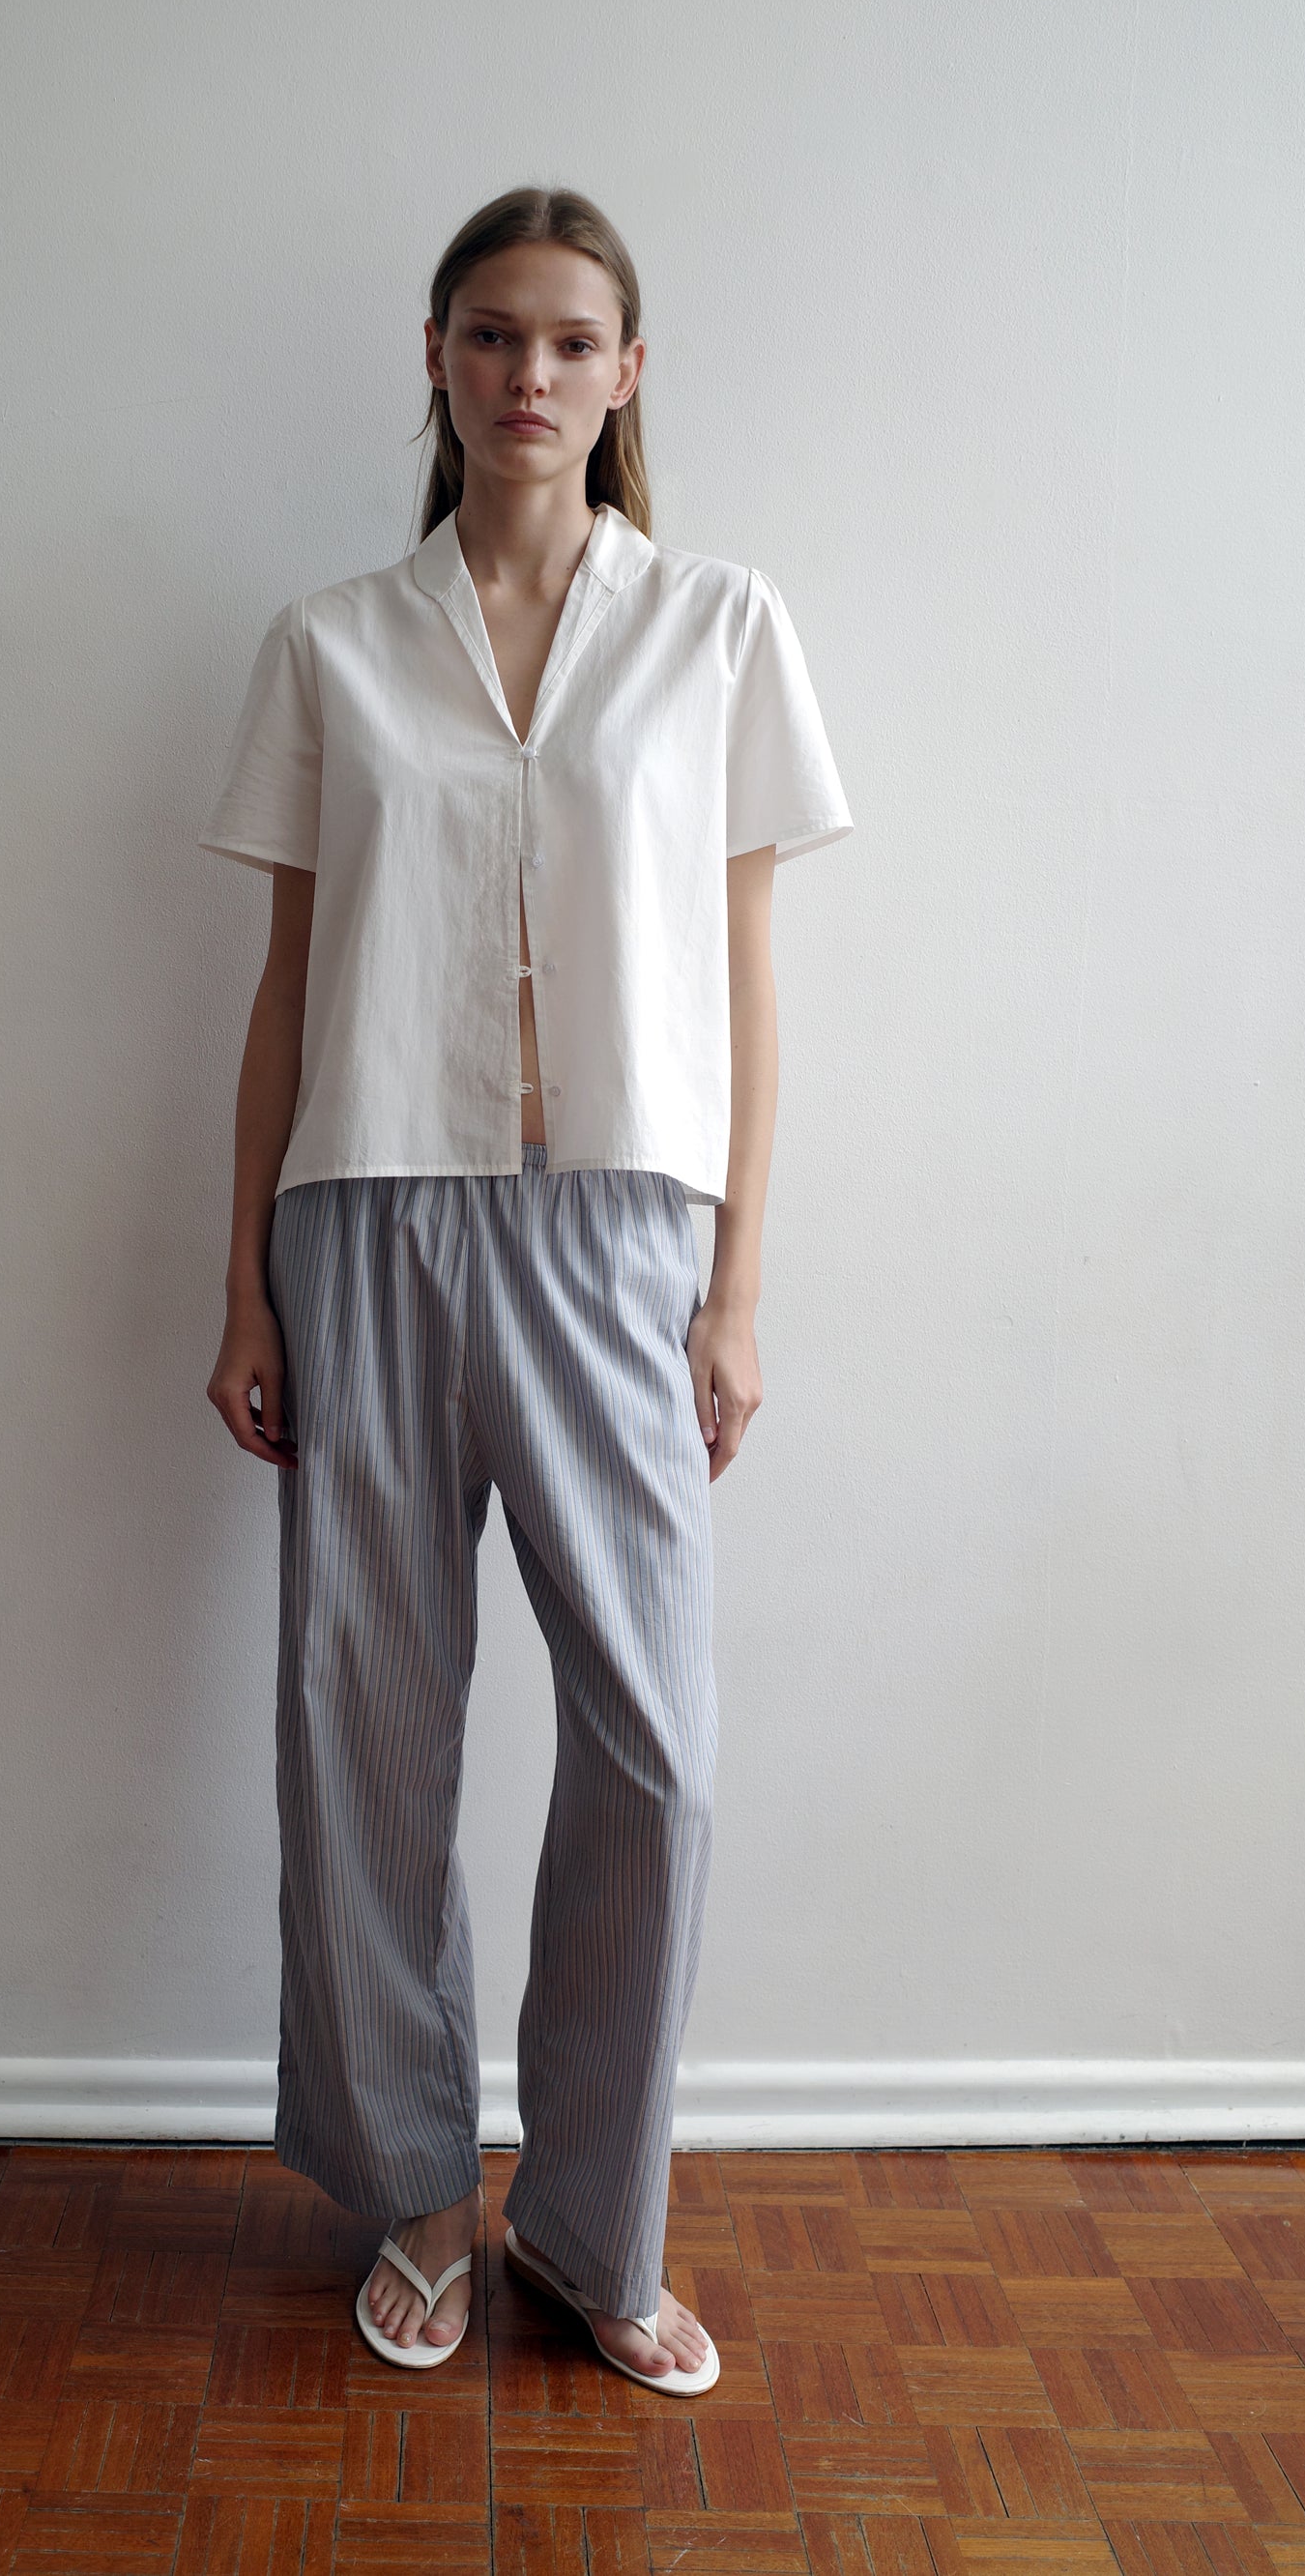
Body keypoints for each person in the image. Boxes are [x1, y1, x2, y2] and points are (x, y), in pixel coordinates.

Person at [202, 186, 853, 2394]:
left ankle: (591, 2222)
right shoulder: (329, 644)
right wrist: (245, 1285)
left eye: (574, 341)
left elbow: (750, 994)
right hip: (365, 1212)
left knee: (650, 1750)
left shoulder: (721, 631)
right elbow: (286, 996)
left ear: (630, 371)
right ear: (436, 358)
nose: (532, 377)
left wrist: (739, 1287)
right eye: (493, 337)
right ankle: (410, 2193)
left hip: (618, 1234)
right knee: (363, 1738)